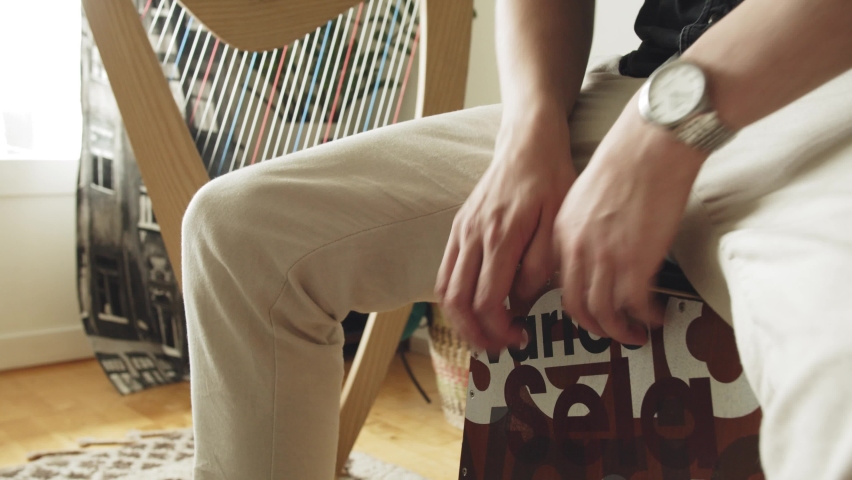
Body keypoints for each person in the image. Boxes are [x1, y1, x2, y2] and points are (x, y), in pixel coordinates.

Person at [181, 0, 852, 478]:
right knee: (243, 234)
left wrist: (664, 137)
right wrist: (529, 134)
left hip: (824, 97)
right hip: (644, 87)